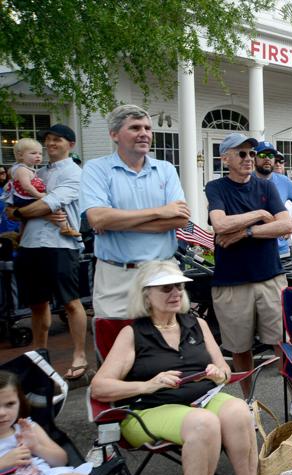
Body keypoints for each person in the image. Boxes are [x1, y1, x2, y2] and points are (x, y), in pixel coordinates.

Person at [90, 262, 258, 475]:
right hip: (149, 409)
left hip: (202, 399)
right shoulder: (133, 333)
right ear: (146, 294)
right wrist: (149, 384)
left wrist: (219, 373)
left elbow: (224, 369)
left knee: (239, 411)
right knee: (204, 423)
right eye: (166, 288)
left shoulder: (196, 324)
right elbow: (99, 387)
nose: (176, 292)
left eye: (179, 286)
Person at [205, 133, 292, 397]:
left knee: (282, 343)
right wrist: (260, 215)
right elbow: (220, 224)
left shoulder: (266, 187)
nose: (248, 158)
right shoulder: (216, 188)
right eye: (241, 153)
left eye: (251, 153)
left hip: (270, 277)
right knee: (239, 348)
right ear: (225, 158)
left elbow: (286, 225)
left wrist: (245, 233)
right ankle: (248, 401)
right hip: (232, 282)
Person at [81, 104, 190, 318]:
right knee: (116, 344)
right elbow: (98, 218)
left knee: (167, 344)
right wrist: (161, 211)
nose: (144, 134)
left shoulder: (166, 169)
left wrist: (116, 220)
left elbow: (179, 219)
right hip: (117, 275)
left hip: (163, 272)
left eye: (147, 128)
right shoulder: (96, 169)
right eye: (135, 128)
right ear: (114, 134)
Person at [10, 125, 88, 381]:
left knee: (70, 303)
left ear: (71, 144)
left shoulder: (75, 174)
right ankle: (39, 356)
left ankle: (79, 355)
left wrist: (26, 211)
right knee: (37, 304)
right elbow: (10, 209)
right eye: (48, 140)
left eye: (58, 139)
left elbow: (48, 203)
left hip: (61, 246)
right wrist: (24, 211)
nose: (51, 143)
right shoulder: (35, 173)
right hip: (30, 245)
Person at [0, 371, 98, 475]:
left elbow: (61, 460)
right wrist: (3, 463)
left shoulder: (27, 427)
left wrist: (36, 447)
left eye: (10, 404)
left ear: (20, 402)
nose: (2, 413)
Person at [4, 138, 80, 237]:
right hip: (24, 197)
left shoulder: (32, 170)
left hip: (25, 198)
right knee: (54, 208)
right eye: (33, 153)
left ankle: (21, 235)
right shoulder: (22, 169)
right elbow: (27, 186)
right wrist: (40, 195)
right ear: (20, 155)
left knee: (30, 216)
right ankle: (64, 227)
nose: (38, 156)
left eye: (40, 153)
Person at [254, 141, 292, 282]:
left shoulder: (283, 181)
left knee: (281, 296)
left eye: (271, 155)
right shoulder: (247, 180)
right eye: (263, 154)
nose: (267, 158)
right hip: (253, 250)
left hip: (281, 250)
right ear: (254, 157)